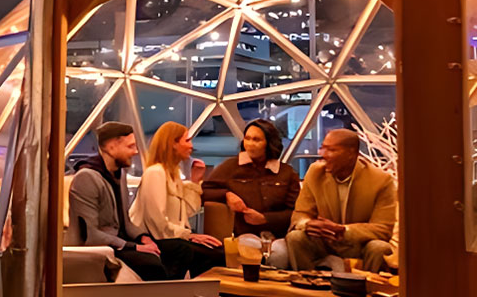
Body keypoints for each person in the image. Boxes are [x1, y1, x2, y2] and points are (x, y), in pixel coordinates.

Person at [67, 122, 189, 297]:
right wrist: (135, 247)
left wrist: (144, 237)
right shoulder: (87, 178)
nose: (135, 151)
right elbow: (91, 235)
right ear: (112, 147)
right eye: (131, 146)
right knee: (150, 262)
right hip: (98, 248)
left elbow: (126, 221)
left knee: (172, 249)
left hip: (119, 240)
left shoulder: (119, 174)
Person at [286, 128, 396, 273]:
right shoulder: (315, 172)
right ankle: (308, 285)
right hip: (323, 242)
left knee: (380, 248)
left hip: (358, 245)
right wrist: (307, 224)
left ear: (351, 154)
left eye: (331, 150)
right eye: (323, 148)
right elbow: (299, 214)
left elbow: (383, 229)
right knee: (296, 238)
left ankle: (368, 290)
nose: (323, 155)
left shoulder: (381, 180)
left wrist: (345, 231)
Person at [130, 121, 225, 279]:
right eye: (187, 140)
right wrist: (189, 235)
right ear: (172, 143)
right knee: (210, 255)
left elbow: (187, 212)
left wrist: (195, 181)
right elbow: (156, 222)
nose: (191, 146)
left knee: (217, 251)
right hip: (154, 238)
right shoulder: (156, 173)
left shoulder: (173, 175)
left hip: (171, 237)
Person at [202, 119, 301, 267]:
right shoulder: (231, 167)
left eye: (256, 140)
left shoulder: (286, 173)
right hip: (244, 233)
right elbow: (204, 191)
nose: (250, 144)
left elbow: (295, 211)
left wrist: (265, 218)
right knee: (248, 251)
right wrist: (227, 195)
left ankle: (273, 289)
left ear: (269, 143)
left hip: (278, 236)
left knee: (280, 254)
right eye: (247, 138)